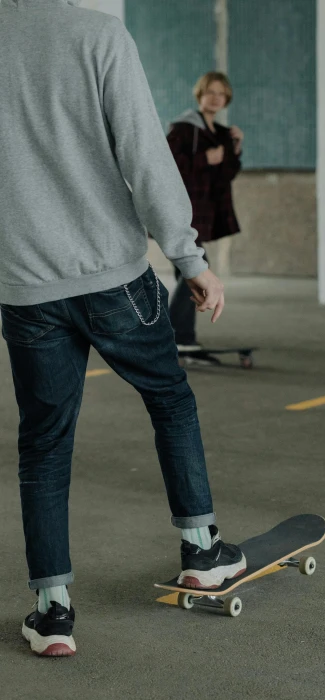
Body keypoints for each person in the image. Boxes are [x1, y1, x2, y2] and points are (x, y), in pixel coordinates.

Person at [0, 0, 246, 657]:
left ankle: (53, 611)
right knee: (170, 399)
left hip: (27, 288)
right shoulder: (99, 35)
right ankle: (202, 550)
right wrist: (190, 258)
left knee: (44, 444)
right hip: (111, 276)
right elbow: (143, 155)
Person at [166, 72, 244, 364]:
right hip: (183, 210)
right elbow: (166, 164)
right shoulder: (184, 129)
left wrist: (235, 149)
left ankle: (178, 336)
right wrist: (204, 159)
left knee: (192, 273)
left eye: (221, 94)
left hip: (204, 211)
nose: (215, 97)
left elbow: (226, 174)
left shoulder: (221, 133)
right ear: (199, 95)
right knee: (195, 271)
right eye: (210, 92)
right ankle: (177, 337)